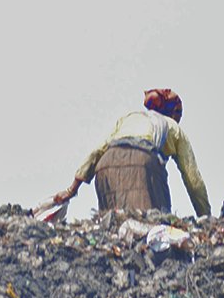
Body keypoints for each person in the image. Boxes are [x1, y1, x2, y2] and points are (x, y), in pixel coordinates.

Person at [53, 88, 211, 217]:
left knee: (114, 225)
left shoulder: (130, 118)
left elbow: (98, 151)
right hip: (142, 165)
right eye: (179, 113)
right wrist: (205, 216)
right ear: (173, 113)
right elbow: (193, 179)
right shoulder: (173, 128)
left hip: (106, 166)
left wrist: (71, 190)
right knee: (153, 224)